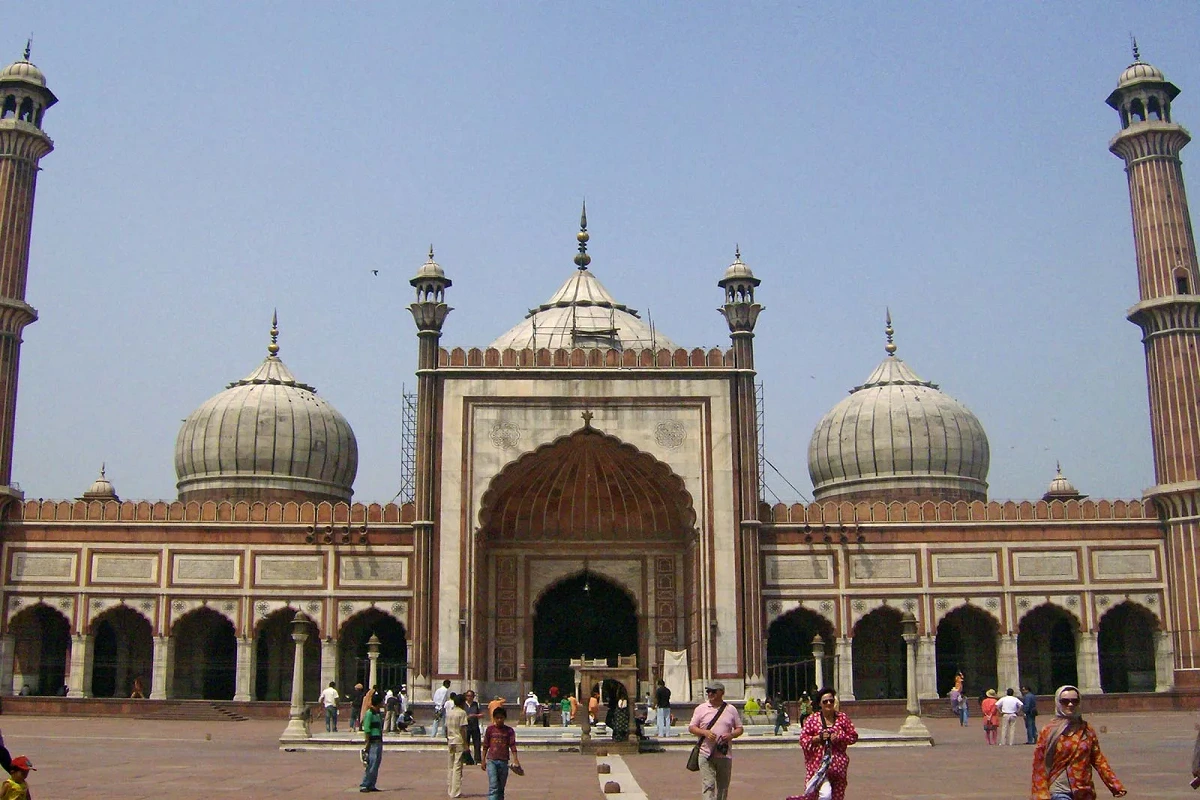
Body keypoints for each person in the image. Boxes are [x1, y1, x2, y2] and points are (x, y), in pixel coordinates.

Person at [1030, 685, 1126, 800]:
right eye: (1065, 701)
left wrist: (1114, 784)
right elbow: (1039, 763)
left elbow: (1098, 759)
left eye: (1074, 701)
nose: (1070, 704)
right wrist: (1040, 792)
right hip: (1059, 789)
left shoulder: (1086, 729)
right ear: (1058, 703)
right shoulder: (1049, 730)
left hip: (1083, 789)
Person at [790, 687, 859, 800]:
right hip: (819, 766)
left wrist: (840, 736)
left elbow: (853, 737)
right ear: (820, 704)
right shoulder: (812, 720)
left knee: (837, 796)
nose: (828, 703)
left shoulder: (842, 718)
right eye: (825, 701)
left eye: (831, 701)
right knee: (825, 795)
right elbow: (803, 740)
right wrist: (818, 738)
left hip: (838, 767)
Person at [687, 680, 743, 800]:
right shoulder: (701, 709)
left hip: (724, 754)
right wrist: (704, 732)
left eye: (713, 691)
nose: (710, 694)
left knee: (723, 787)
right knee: (708, 785)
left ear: (721, 692)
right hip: (705, 753)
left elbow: (740, 729)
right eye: (708, 691)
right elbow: (691, 727)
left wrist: (731, 735)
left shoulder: (730, 709)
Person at [481, 705, 521, 800]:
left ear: (504, 718)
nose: (499, 720)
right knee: (493, 786)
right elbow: (486, 745)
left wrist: (516, 759)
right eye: (497, 718)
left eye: (501, 718)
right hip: (492, 760)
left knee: (501, 787)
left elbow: (512, 745)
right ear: (494, 718)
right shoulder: (490, 730)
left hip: (503, 761)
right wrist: (483, 760)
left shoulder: (509, 731)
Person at [359, 696, 385, 793]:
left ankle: (372, 784)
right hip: (372, 742)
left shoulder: (377, 714)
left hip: (378, 741)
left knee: (376, 763)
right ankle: (365, 784)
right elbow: (367, 729)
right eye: (381, 702)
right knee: (371, 764)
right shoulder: (369, 713)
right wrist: (367, 743)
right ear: (377, 703)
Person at [446, 692, 469, 798]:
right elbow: (463, 729)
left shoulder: (449, 712)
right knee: (458, 766)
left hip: (450, 740)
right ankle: (455, 792)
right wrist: (466, 744)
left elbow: (446, 728)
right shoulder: (462, 713)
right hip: (459, 740)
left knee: (451, 765)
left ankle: (450, 789)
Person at [464, 690, 484, 765]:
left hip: (475, 726)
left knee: (477, 743)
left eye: (471, 696)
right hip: (466, 727)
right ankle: (466, 759)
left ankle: (478, 759)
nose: (469, 698)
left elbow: (482, 715)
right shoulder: (463, 705)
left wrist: (474, 715)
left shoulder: (476, 704)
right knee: (466, 744)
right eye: (468, 696)